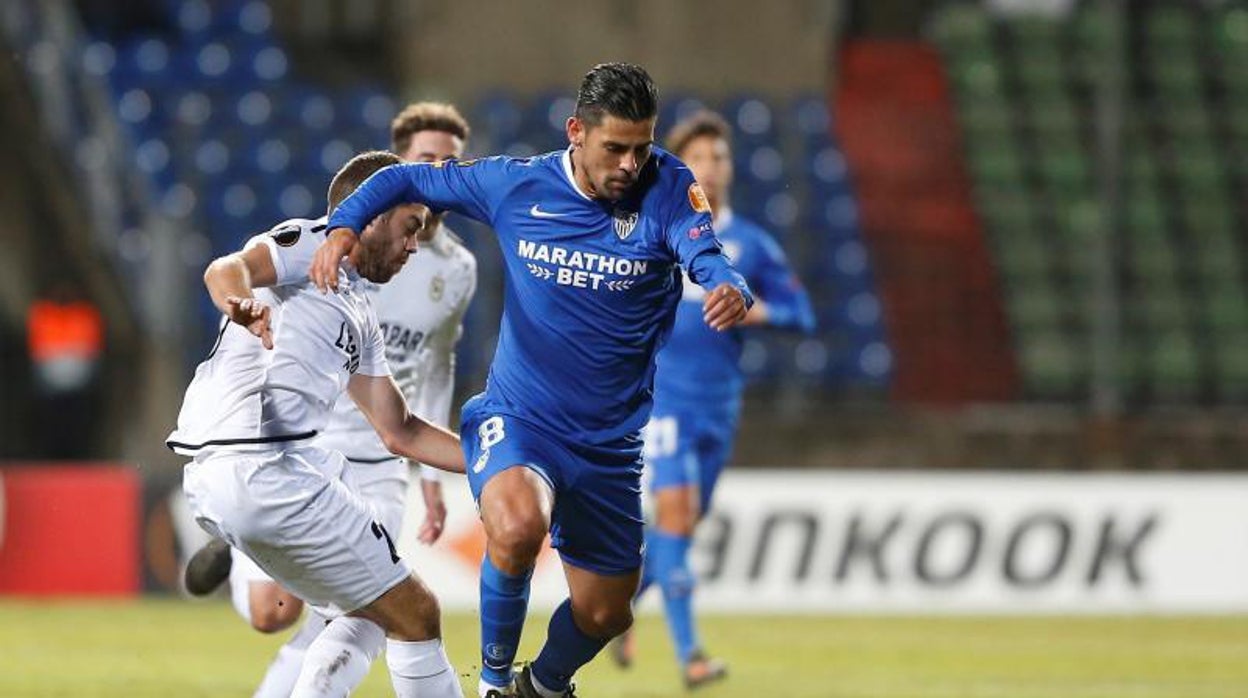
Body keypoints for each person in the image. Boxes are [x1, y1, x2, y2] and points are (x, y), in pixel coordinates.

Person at [310, 63, 755, 698]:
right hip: (520, 417)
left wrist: (727, 284)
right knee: (517, 526)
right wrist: (346, 225)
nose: (631, 164)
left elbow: (703, 251)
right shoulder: (517, 186)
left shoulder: (668, 188)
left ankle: (541, 687)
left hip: (609, 445)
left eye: (642, 146)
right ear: (577, 131)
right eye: (616, 148)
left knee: (606, 612)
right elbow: (407, 176)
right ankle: (492, 685)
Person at [182, 103, 478, 698]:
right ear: (368, 215)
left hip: (234, 479)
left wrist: (498, 460)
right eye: (409, 226)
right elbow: (225, 268)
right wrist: (243, 304)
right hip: (270, 473)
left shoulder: (363, 311)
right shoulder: (307, 243)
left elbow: (400, 430)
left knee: (357, 614)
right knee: (413, 614)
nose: (415, 244)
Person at [610, 110, 816, 688]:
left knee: (678, 531)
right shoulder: (654, 230)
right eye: (697, 158)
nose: (710, 167)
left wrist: (756, 311)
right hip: (664, 400)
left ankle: (617, 616)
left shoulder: (751, 243)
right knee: (674, 518)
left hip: (720, 405)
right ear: (679, 168)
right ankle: (691, 656)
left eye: (719, 157)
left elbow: (802, 315)